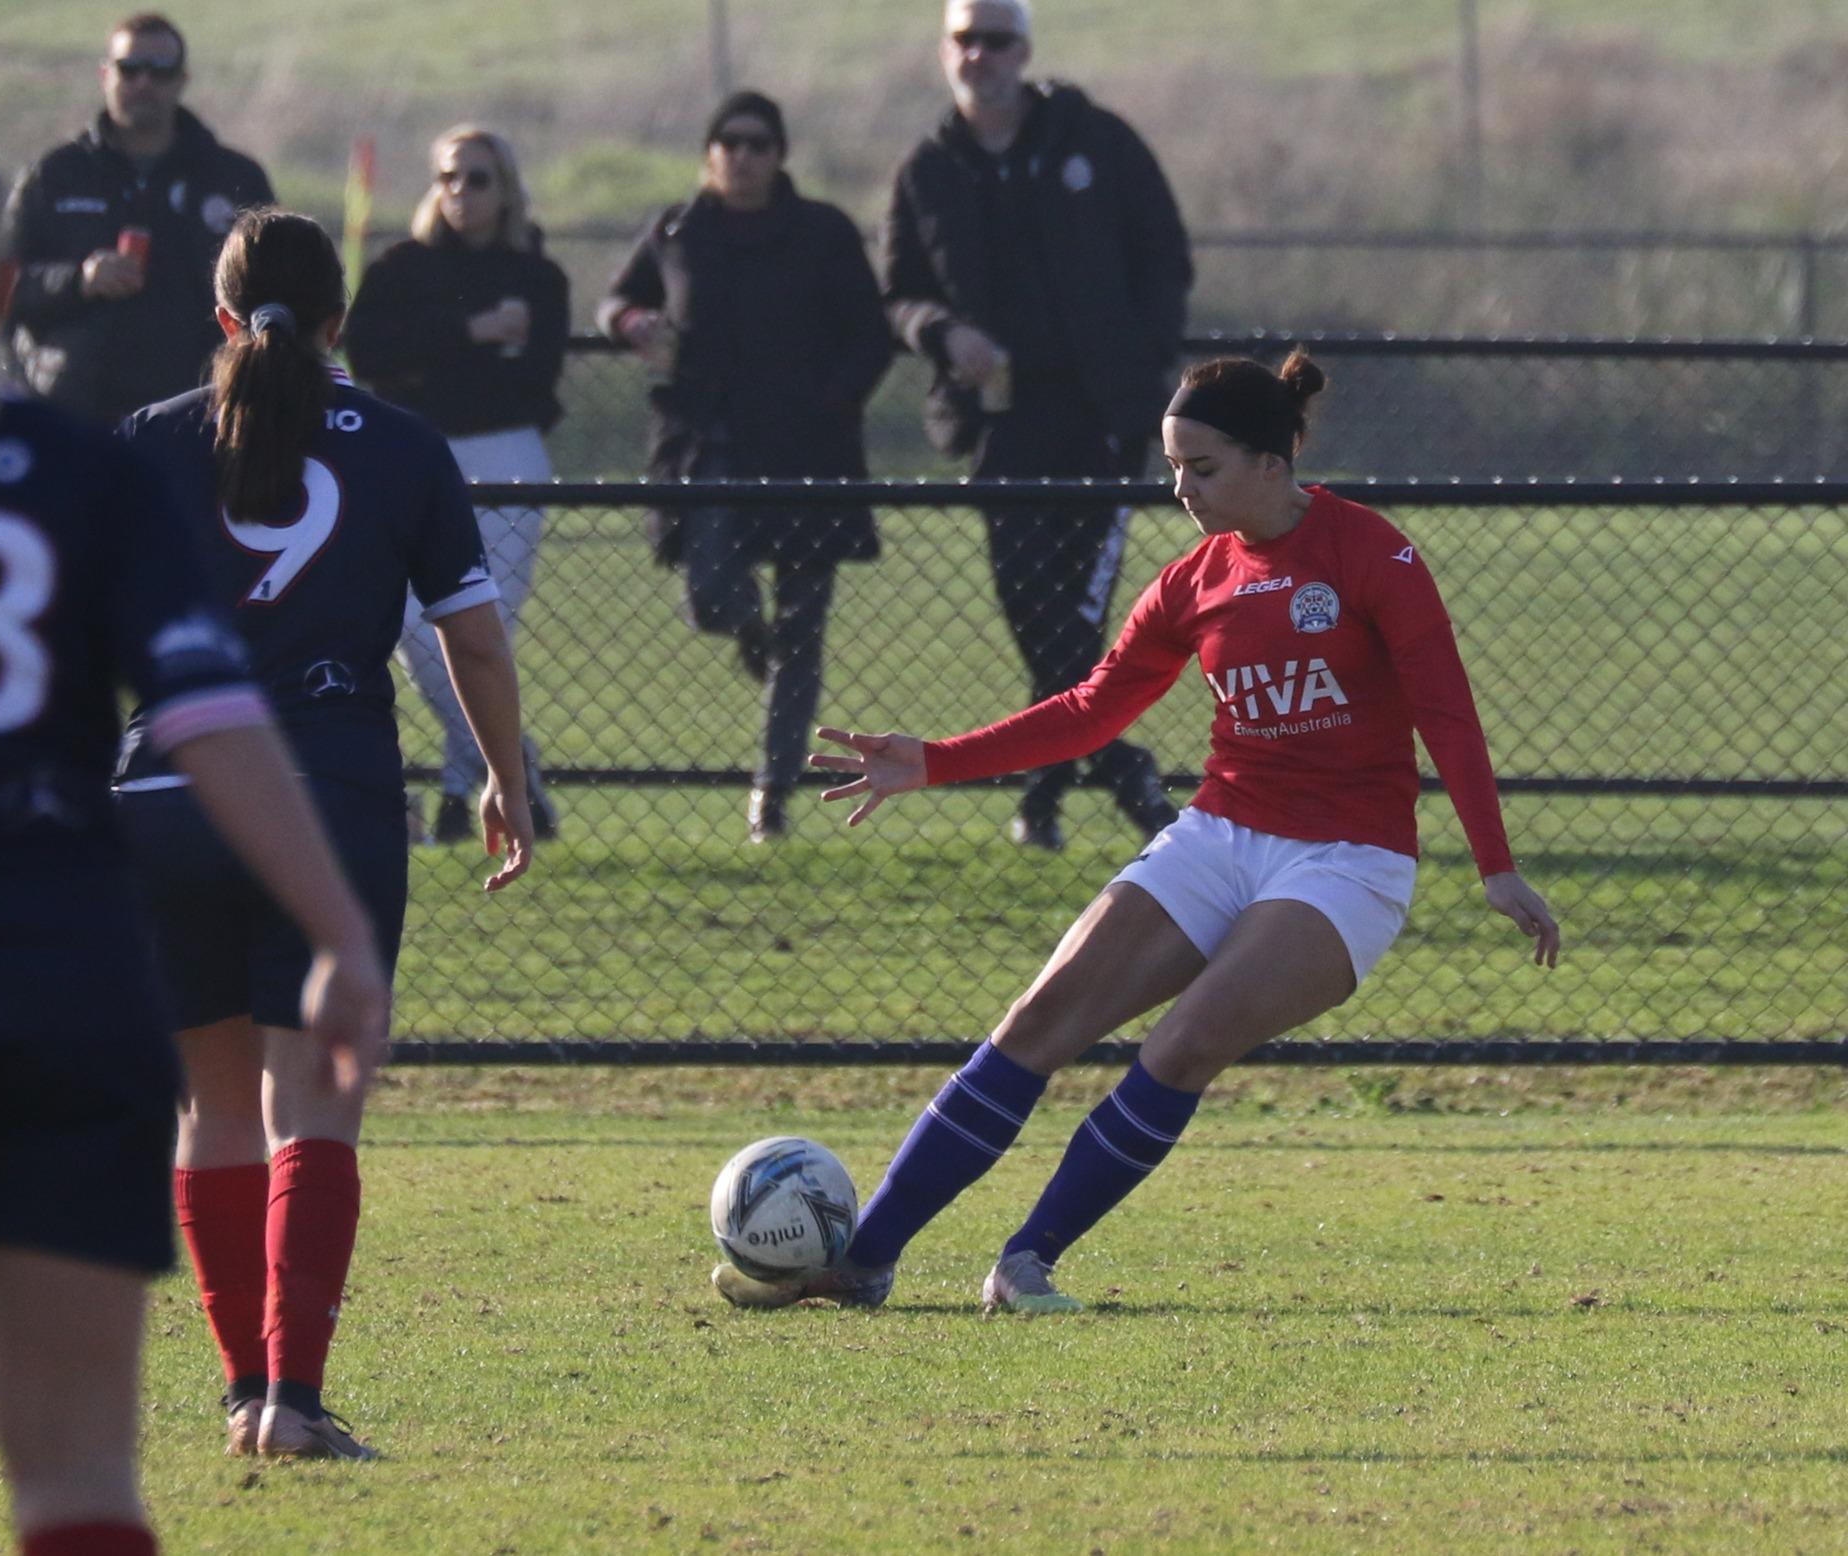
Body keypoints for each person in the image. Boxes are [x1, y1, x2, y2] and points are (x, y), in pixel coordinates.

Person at [0, 107, 386, 1556]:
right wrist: (335, 930)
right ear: (10, 282)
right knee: (75, 1484)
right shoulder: (88, 477)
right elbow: (210, 716)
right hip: (62, 985)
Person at [713, 351, 1563, 1315]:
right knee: (1036, 1025)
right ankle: (860, 1262)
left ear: (1272, 465)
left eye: (1201, 468)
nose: (1180, 489)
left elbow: (1446, 713)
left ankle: (1026, 1262)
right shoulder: (1195, 580)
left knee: (1182, 1044)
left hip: (1347, 863)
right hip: (1221, 831)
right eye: (1171, 467)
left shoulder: (1373, 555)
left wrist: (1495, 866)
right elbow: (1089, 710)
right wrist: (936, 759)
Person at [115, 207, 535, 1460]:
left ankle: (244, 1387)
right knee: (315, 1101)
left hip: (164, 797)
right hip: (326, 793)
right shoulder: (403, 447)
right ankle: (294, 1401)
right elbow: (470, 634)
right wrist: (502, 774)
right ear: (340, 320)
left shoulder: (145, 442)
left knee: (212, 1106)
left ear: (221, 317)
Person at [882, 0, 1194, 851]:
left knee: (1075, 619)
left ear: (1024, 50)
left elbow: (1163, 254)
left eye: (995, 40)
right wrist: (943, 334)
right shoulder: (928, 168)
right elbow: (899, 293)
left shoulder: (1097, 141)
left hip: (1100, 419)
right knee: (1035, 610)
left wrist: (1144, 359)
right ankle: (1117, 769)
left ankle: (1047, 796)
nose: (978, 55)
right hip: (999, 425)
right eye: (963, 40)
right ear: (945, 50)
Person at [598, 91, 894, 842]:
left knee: (804, 628)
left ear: (780, 153)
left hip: (807, 451)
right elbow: (617, 300)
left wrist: (834, 400)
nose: (744, 154)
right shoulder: (677, 228)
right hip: (709, 444)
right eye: (729, 141)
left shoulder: (822, 232)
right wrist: (632, 322)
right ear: (709, 152)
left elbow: (872, 332)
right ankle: (750, 640)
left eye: (759, 142)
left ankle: (773, 794)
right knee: (710, 596)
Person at [344, 125, 568, 845]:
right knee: (415, 626)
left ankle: (463, 785)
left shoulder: (536, 276)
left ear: (505, 189)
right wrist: (471, 332)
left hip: (506, 455)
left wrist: (432, 353)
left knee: (482, 627)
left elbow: (533, 376)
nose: (460, 193)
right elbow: (373, 352)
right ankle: (519, 773)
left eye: (478, 179)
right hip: (417, 453)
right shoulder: (402, 268)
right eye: (448, 178)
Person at [6, 12, 274, 424]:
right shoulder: (56, 176)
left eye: (159, 71)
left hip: (198, 413)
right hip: (74, 411)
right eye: (129, 69)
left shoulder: (232, 178)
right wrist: (81, 280)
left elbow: (275, 289)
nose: (143, 83)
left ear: (182, 80)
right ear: (105, 74)